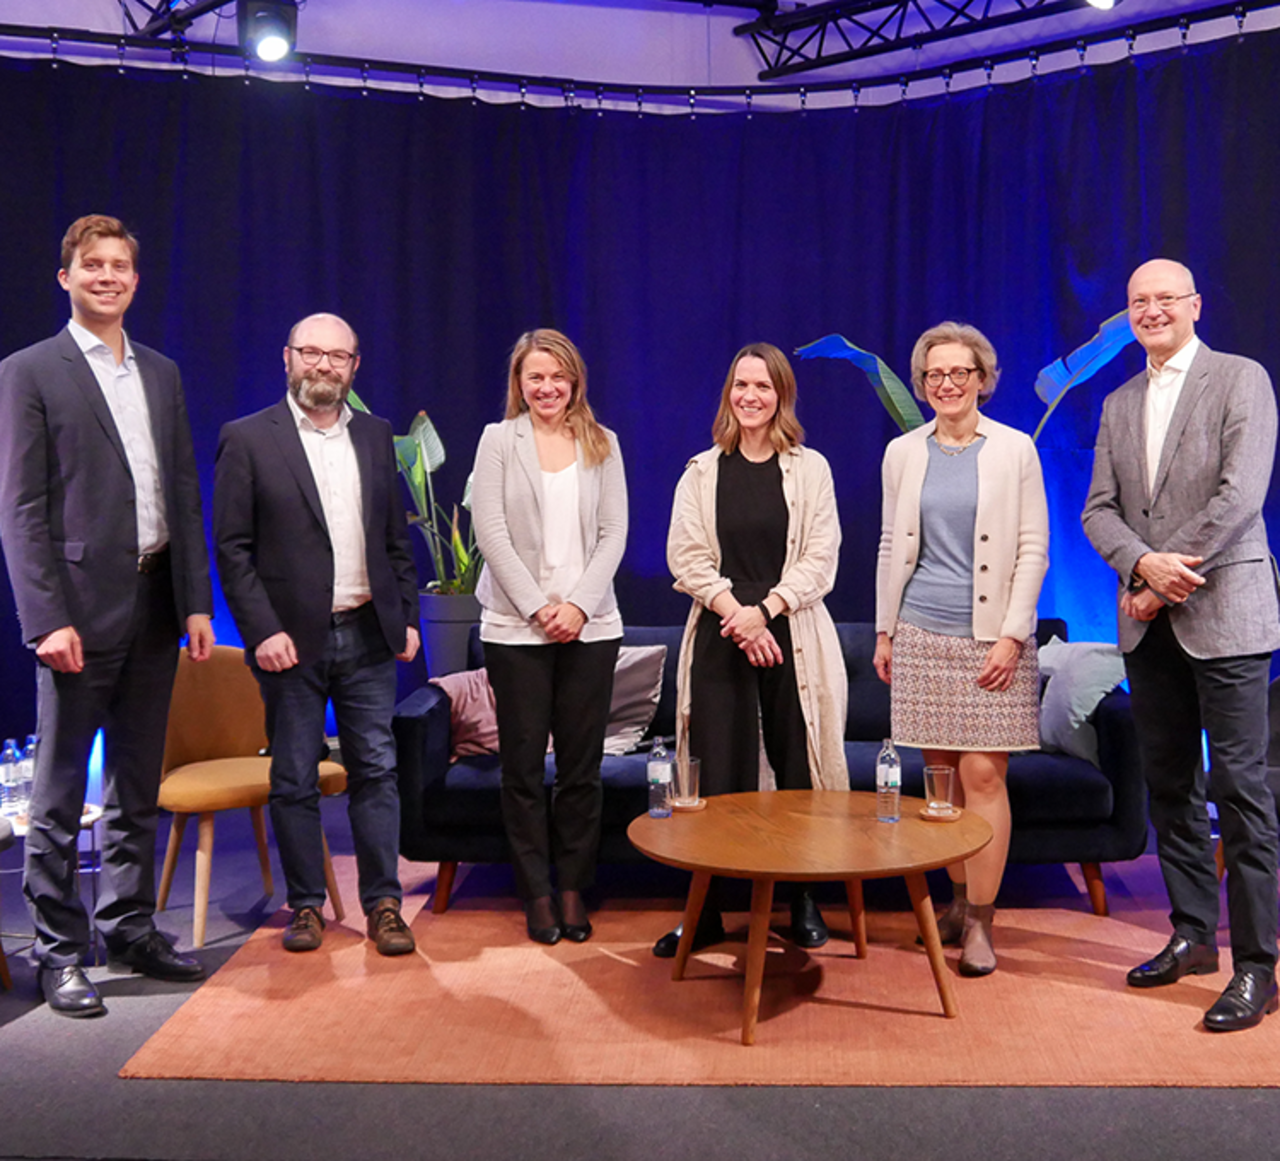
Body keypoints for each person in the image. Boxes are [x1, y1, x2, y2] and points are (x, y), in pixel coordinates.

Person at [0, 214, 215, 1018]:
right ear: (66, 277)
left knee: (135, 786)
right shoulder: (29, 370)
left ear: (135, 278)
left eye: (121, 265)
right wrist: (44, 618)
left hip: (159, 605)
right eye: (93, 265)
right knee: (59, 794)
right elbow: (20, 509)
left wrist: (196, 600)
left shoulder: (160, 372)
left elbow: (182, 495)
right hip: (78, 619)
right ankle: (57, 951)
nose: (108, 277)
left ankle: (128, 927)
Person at [1082, 259, 1280, 1032]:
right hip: (1147, 621)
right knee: (1170, 787)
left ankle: (1257, 966)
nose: (1153, 309)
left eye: (1167, 298)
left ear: (1195, 304)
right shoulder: (1117, 401)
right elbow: (1098, 509)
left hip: (1224, 614)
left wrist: (1161, 576)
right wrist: (1138, 562)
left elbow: (1240, 496)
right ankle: (1194, 935)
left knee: (1241, 793)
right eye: (1139, 300)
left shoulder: (1240, 379)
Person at [214, 313, 420, 957]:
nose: (323, 365)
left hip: (367, 632)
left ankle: (384, 904)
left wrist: (407, 615)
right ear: (287, 358)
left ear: (355, 366)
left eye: (338, 356)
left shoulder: (377, 436)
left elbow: (396, 539)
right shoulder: (248, 438)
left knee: (377, 771)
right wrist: (262, 631)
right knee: (294, 777)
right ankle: (305, 906)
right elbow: (233, 548)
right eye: (311, 352)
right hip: (289, 643)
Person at [657, 342, 848, 958]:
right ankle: (706, 910)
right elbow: (684, 557)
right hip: (720, 634)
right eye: (741, 385)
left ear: (782, 395)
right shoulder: (702, 471)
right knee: (717, 774)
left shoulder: (810, 468)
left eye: (763, 387)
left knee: (799, 768)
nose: (750, 397)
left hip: (791, 630)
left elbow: (822, 557)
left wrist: (764, 613)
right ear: (728, 393)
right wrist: (736, 615)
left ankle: (803, 900)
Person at [874, 322, 1048, 977]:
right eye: (934, 375)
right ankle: (952, 903)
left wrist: (1013, 632)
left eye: (960, 372)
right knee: (940, 783)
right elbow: (892, 545)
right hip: (920, 632)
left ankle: (981, 920)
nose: (947, 383)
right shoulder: (903, 452)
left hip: (991, 640)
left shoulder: (1014, 449)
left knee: (983, 777)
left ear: (982, 378)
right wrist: (885, 628)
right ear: (921, 385)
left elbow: (1033, 547)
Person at [471, 329, 627, 946]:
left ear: (574, 381)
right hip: (516, 629)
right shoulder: (496, 441)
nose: (547, 388)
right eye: (535, 377)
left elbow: (615, 533)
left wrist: (579, 608)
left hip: (591, 626)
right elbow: (491, 532)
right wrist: (540, 609)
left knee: (582, 770)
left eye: (557, 377)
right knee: (523, 767)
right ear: (520, 382)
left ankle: (572, 887)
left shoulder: (603, 442)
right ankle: (535, 890)